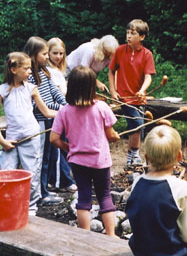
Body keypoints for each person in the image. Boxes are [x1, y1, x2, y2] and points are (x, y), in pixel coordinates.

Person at [50, 66, 120, 237]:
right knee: (104, 197)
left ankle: (86, 237)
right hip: (100, 161)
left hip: (78, 162)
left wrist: (70, 148)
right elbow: (111, 135)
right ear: (92, 87)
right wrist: (115, 137)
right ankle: (111, 236)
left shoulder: (64, 111)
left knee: (84, 198)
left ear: (71, 86)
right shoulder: (102, 107)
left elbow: (54, 139)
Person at [0, 52, 57, 216]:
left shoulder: (31, 89)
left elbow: (47, 112)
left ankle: (30, 208)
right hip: (10, 140)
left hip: (31, 137)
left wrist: (69, 113)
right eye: (26, 69)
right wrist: (1, 140)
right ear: (13, 69)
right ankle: (10, 206)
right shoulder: (1, 91)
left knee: (32, 174)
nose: (29, 72)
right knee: (7, 174)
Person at [126, 125, 187, 255]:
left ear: (147, 157)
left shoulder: (137, 182)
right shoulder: (181, 188)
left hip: (140, 250)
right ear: (179, 156)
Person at [25, 36, 66, 206]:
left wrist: (65, 105)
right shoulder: (30, 76)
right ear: (34, 55)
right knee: (40, 158)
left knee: (49, 157)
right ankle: (38, 194)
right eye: (44, 54)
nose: (47, 57)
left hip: (52, 119)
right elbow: (37, 104)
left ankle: (44, 190)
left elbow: (54, 92)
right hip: (41, 120)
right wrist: (60, 109)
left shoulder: (45, 71)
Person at [108, 19, 155, 167]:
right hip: (122, 97)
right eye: (127, 32)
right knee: (137, 125)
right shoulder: (120, 50)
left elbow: (148, 76)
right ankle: (133, 155)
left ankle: (131, 157)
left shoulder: (147, 54)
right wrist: (113, 90)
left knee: (137, 128)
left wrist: (142, 91)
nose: (128, 36)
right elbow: (111, 70)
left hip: (137, 98)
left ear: (142, 37)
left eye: (133, 33)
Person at [46, 37, 77, 193]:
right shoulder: (48, 72)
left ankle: (58, 178)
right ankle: (62, 181)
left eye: (61, 53)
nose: (58, 57)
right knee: (58, 148)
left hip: (63, 111)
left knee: (64, 145)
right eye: (55, 53)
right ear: (48, 53)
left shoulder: (59, 70)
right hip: (54, 114)